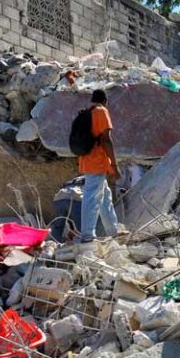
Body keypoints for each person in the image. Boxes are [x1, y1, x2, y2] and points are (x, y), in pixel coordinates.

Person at [76, 89, 121, 243]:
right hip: (96, 161)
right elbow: (106, 139)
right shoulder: (101, 111)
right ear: (105, 101)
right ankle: (87, 235)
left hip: (88, 160)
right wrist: (114, 164)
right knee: (92, 198)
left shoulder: (87, 113)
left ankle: (113, 231)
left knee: (104, 197)